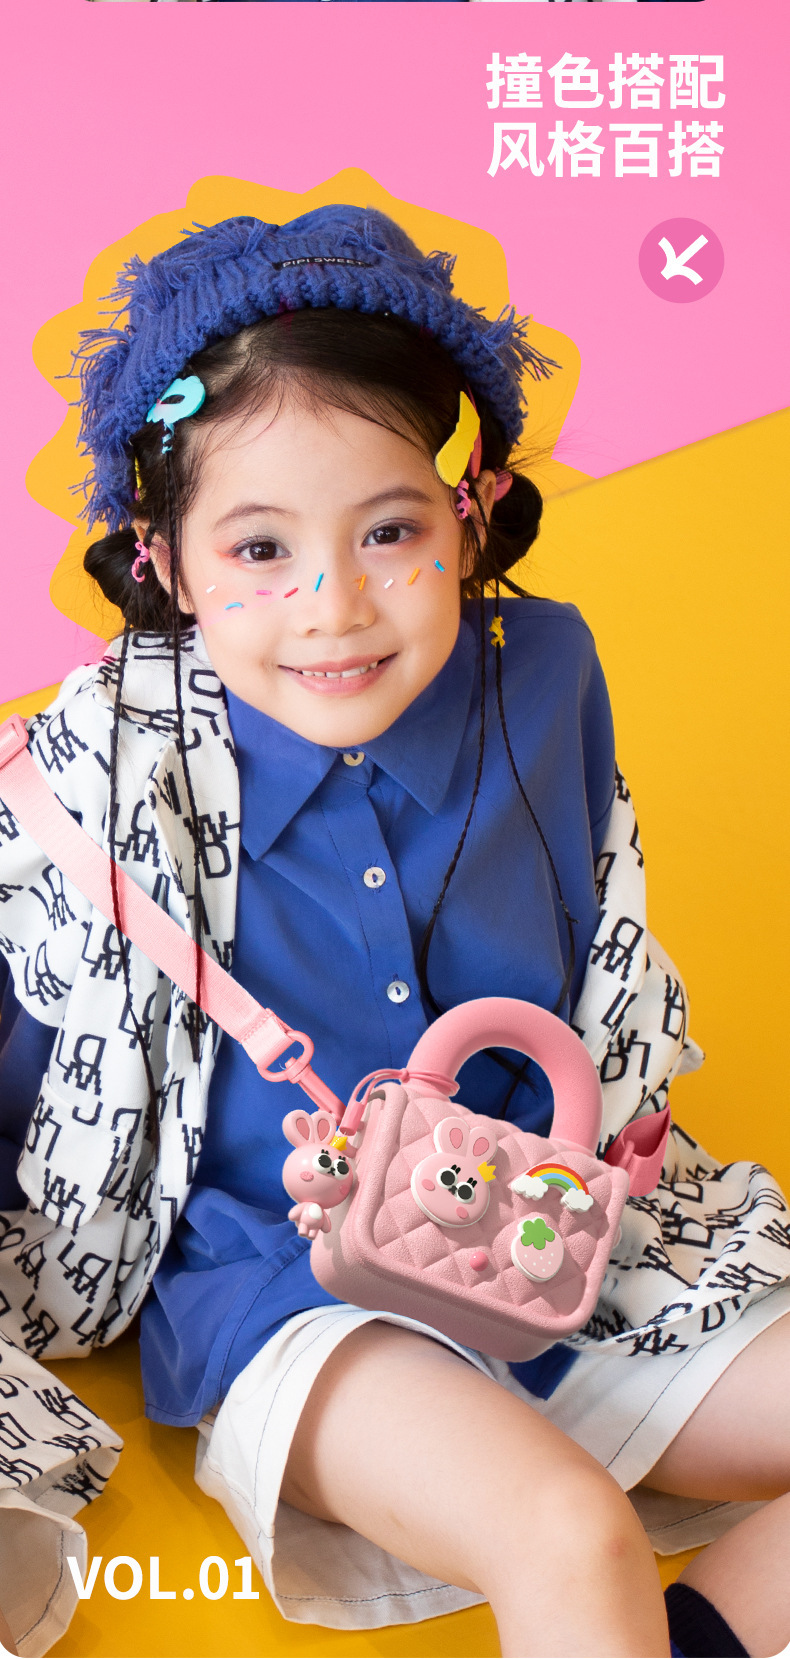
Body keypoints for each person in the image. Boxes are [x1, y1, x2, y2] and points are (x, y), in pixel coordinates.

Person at [0, 207, 788, 1659]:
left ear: (470, 513)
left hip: (562, 1230)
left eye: (389, 530)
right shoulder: (96, 782)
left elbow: (597, 938)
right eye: (258, 546)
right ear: (162, 562)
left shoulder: (544, 671)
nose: (336, 607)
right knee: (566, 1533)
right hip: (290, 1294)